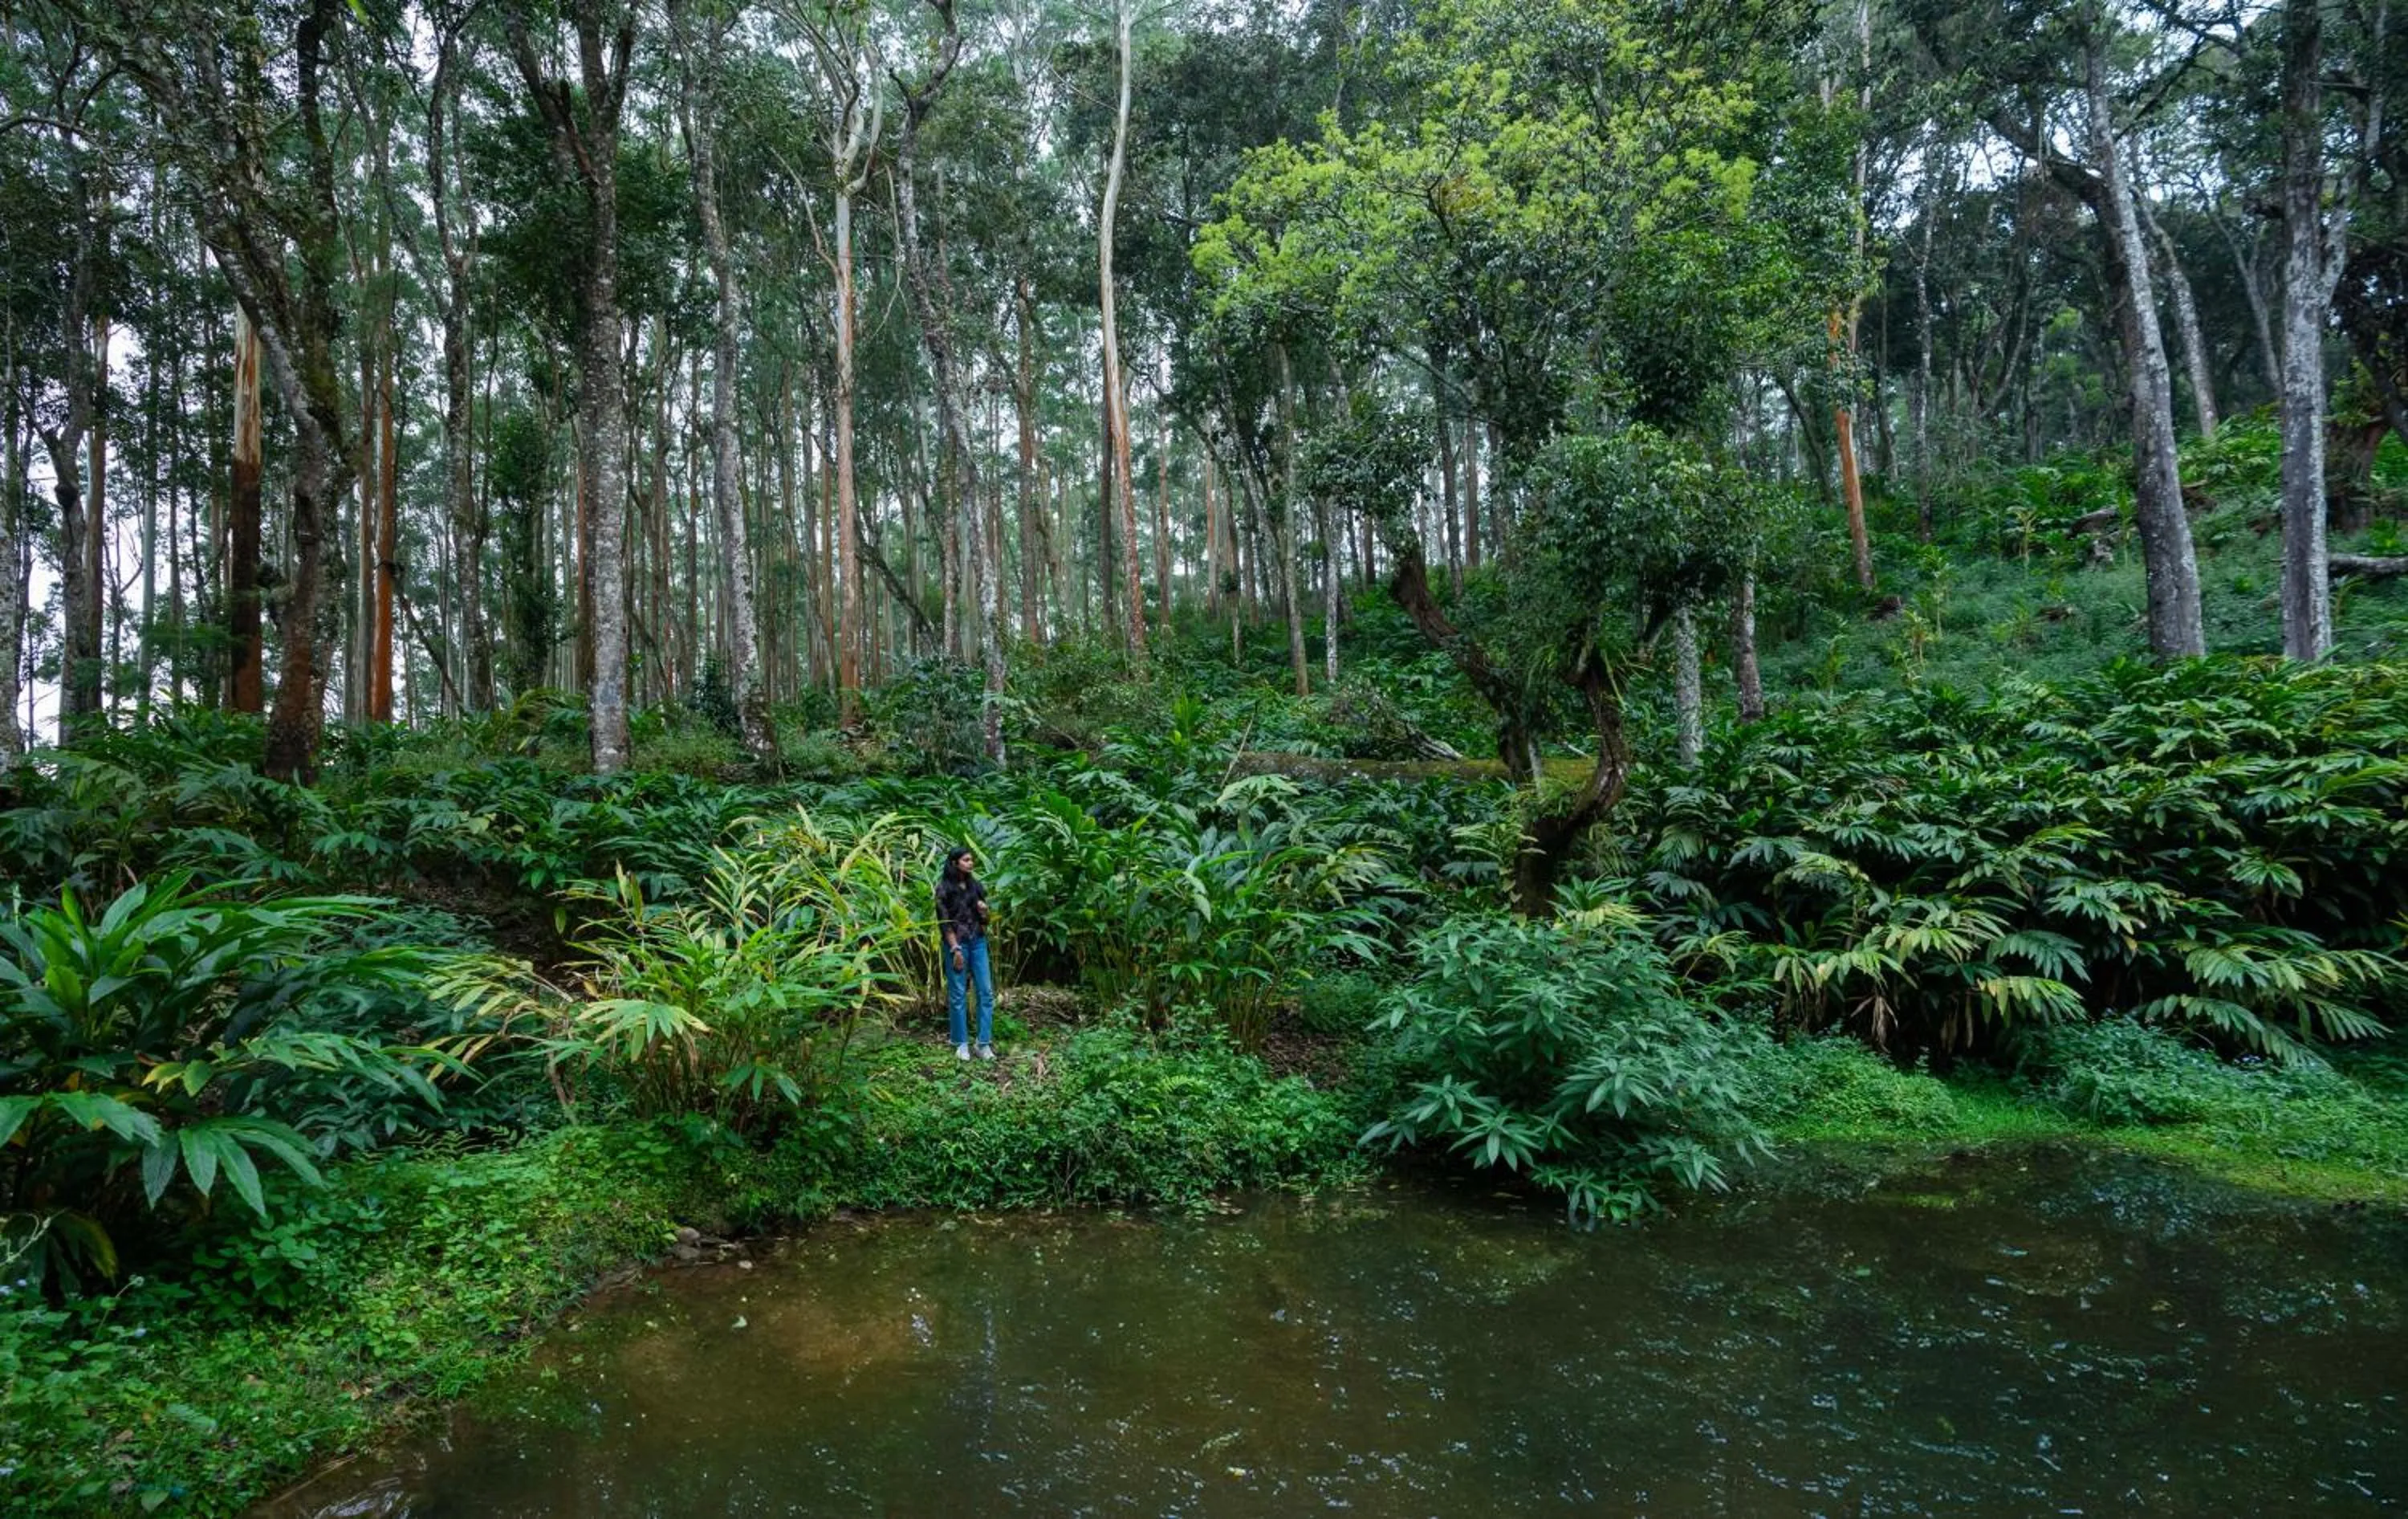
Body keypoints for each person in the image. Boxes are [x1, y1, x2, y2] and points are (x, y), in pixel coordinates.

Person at [935, 845, 995, 1061]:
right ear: (954, 863)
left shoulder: (976, 887)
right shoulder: (943, 889)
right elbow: (944, 923)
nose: (971, 863)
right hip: (956, 944)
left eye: (971, 860)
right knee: (958, 994)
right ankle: (961, 1043)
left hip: (978, 941)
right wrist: (955, 949)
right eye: (966, 860)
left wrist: (984, 912)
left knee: (986, 992)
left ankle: (983, 1043)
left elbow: (985, 921)